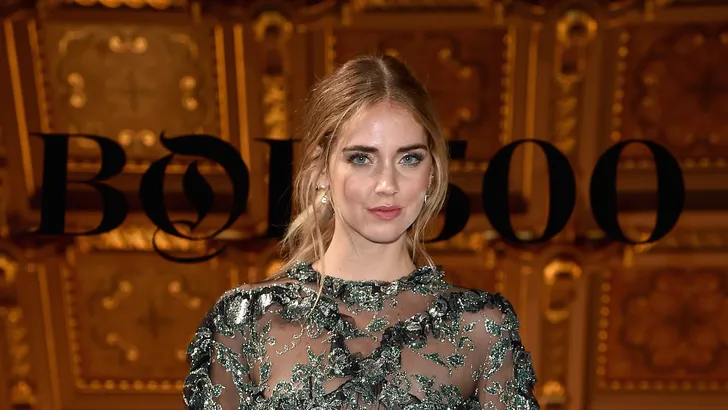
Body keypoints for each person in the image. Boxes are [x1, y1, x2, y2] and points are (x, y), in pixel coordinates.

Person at [183, 55, 540, 409]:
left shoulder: (481, 328)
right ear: (321, 169)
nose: (387, 184)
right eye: (361, 158)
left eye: (409, 159)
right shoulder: (246, 321)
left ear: (431, 172)